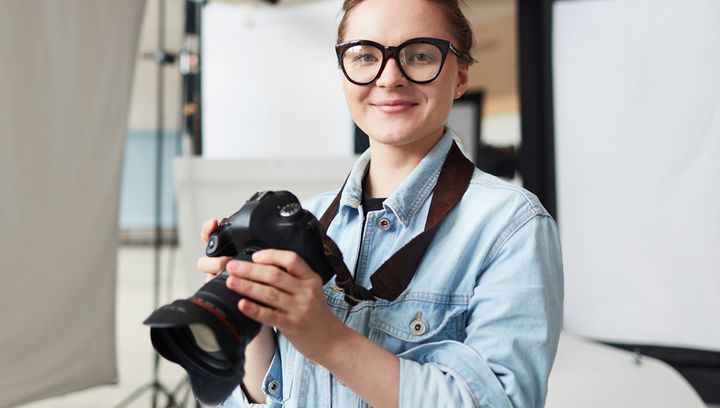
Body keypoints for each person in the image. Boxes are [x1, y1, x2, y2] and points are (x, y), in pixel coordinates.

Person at [197, 0, 563, 406]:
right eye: (366, 56)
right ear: (343, 75)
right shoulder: (307, 219)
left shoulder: (510, 225)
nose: (389, 78)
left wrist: (329, 340)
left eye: (420, 55)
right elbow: (270, 396)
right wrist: (249, 312)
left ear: (460, 76)